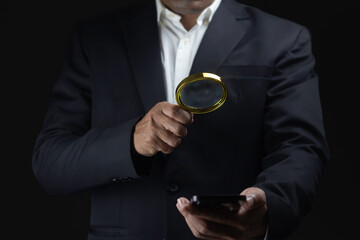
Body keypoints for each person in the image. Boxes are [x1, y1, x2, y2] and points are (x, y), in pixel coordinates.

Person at [32, 0, 329, 239]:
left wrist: (267, 203)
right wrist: (131, 141)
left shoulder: (283, 39)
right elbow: (51, 162)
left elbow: (300, 149)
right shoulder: (95, 37)